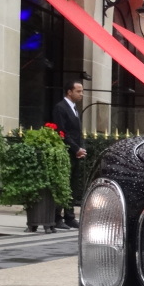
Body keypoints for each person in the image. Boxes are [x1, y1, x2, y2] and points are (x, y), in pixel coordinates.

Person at [51, 80, 86, 229]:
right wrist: (75, 148)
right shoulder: (60, 108)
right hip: (66, 152)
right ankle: (57, 217)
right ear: (69, 92)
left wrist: (80, 149)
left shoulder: (75, 109)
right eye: (78, 91)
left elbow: (77, 132)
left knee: (72, 185)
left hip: (75, 153)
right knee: (63, 184)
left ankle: (70, 216)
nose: (81, 94)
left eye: (81, 91)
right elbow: (62, 132)